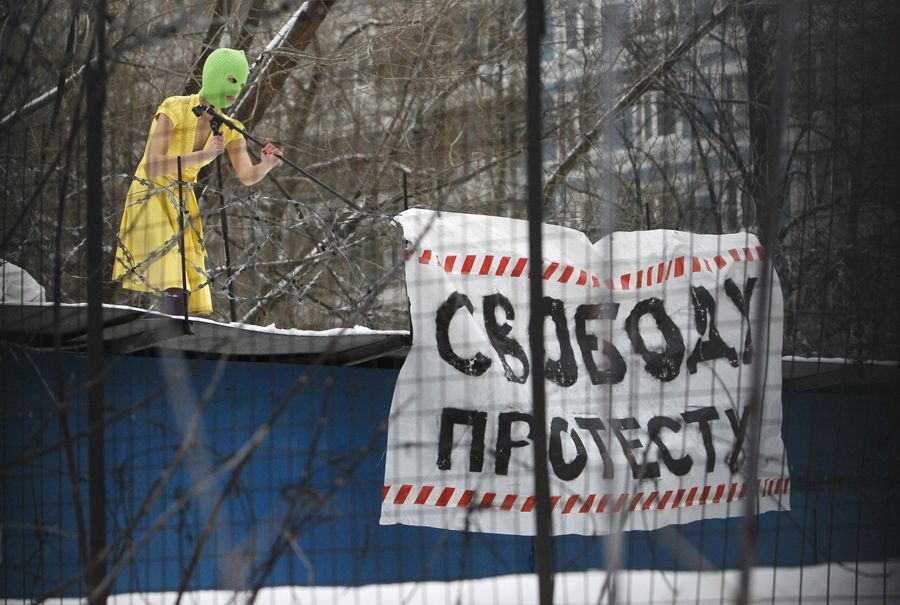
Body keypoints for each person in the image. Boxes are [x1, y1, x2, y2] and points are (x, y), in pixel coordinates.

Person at [112, 47, 282, 316]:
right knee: (172, 275)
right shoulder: (174, 108)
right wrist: (202, 156)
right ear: (213, 76)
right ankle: (168, 331)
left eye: (241, 84)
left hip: (183, 200)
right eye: (231, 79)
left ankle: (175, 329)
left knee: (187, 278)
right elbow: (153, 164)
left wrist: (266, 165)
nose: (236, 89)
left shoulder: (228, 125)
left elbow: (247, 176)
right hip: (152, 193)